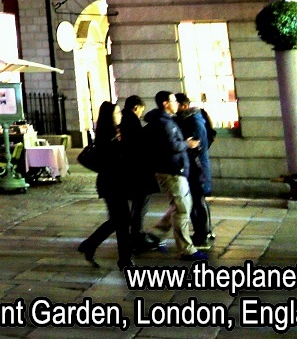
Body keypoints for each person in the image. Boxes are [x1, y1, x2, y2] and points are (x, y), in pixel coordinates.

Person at [143, 90, 203, 261]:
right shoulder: (165, 123)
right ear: (165, 104)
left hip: (172, 169)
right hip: (172, 170)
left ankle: (154, 235)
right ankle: (186, 249)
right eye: (173, 101)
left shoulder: (165, 121)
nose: (176, 103)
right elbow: (171, 145)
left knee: (180, 205)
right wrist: (188, 144)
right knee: (182, 209)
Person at [75, 102, 133, 269]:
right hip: (112, 182)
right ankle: (123, 260)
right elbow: (112, 160)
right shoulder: (108, 136)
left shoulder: (116, 133)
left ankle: (90, 245)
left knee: (119, 220)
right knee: (122, 220)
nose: (120, 115)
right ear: (110, 116)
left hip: (115, 181)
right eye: (117, 113)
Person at [175, 92, 217, 249]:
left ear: (184, 106)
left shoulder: (192, 121)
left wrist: (187, 150)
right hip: (196, 166)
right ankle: (204, 231)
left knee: (196, 200)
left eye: (176, 104)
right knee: (197, 199)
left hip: (196, 166)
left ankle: (202, 234)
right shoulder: (192, 119)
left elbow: (197, 144)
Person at [118, 96, 159, 255]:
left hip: (131, 171)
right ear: (136, 107)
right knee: (141, 204)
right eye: (141, 109)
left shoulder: (124, 121)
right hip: (137, 172)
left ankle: (135, 234)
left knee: (137, 204)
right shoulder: (131, 121)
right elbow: (138, 146)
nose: (142, 113)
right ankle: (136, 235)